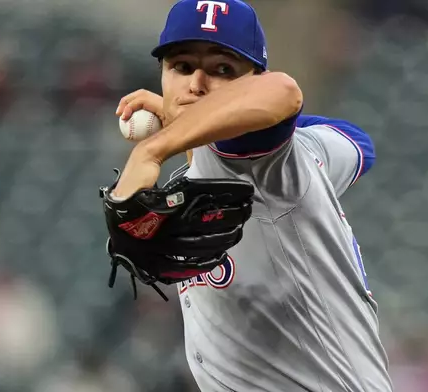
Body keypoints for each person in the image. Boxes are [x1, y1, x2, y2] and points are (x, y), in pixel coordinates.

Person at [111, 0, 393, 391]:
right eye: (181, 66)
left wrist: (153, 148)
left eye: (222, 69)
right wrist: (187, 124)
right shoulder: (302, 154)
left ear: (253, 80)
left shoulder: (258, 162)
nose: (195, 84)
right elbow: (359, 144)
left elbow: (284, 92)